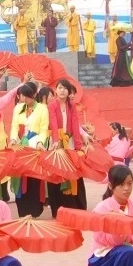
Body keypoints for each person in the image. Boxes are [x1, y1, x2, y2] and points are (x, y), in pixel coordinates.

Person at [47, 79, 86, 217]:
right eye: (59, 88)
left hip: (69, 142)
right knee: (57, 173)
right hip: (56, 142)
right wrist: (56, 141)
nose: (62, 90)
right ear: (56, 90)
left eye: (64, 88)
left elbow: (75, 124)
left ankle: (75, 205)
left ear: (69, 91)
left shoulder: (72, 105)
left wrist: (78, 145)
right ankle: (57, 207)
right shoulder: (52, 105)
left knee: (73, 173)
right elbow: (53, 122)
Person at [10, 84, 49, 218]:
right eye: (22, 96)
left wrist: (40, 142)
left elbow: (44, 129)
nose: (25, 99)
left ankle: (34, 209)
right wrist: (14, 139)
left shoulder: (42, 109)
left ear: (34, 94)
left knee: (33, 178)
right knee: (19, 176)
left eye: (28, 95)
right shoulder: (18, 108)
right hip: (21, 146)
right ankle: (22, 208)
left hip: (35, 146)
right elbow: (14, 126)